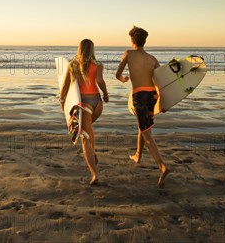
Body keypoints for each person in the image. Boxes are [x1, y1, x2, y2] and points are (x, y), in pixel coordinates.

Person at [116, 26, 168, 187]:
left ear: (132, 41)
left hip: (139, 95)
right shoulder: (152, 59)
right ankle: (138, 155)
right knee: (143, 125)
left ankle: (162, 166)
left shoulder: (128, 54)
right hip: (152, 96)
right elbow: (160, 82)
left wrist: (124, 79)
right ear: (144, 41)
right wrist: (164, 102)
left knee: (146, 133)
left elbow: (118, 74)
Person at [60, 39, 109, 185]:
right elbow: (99, 81)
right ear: (92, 50)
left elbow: (65, 86)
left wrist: (63, 102)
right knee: (88, 130)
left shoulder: (73, 65)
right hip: (97, 104)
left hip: (83, 104)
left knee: (84, 138)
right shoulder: (98, 65)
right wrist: (105, 94)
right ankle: (92, 154)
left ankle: (94, 174)